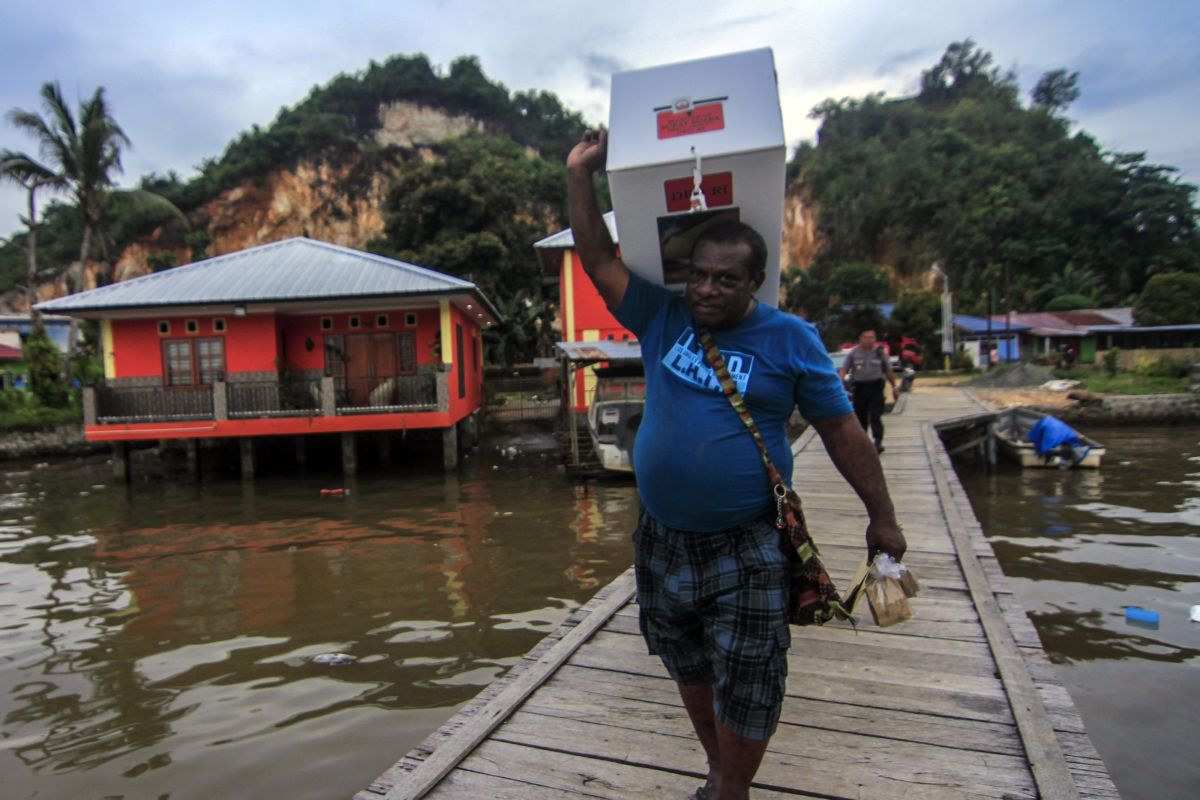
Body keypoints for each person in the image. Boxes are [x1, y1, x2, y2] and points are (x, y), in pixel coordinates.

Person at [567, 129, 905, 800]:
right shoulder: (663, 315)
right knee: (686, 659)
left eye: (726, 279)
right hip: (661, 536)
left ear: (757, 281)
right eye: (698, 275)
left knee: (750, 673)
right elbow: (597, 255)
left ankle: (730, 789)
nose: (707, 290)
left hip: (747, 541)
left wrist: (883, 518)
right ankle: (725, 773)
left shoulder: (790, 339)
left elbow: (842, 431)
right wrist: (579, 174)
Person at [839, 330, 898, 454]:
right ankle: (863, 443)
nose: (869, 340)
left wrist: (894, 386)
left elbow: (888, 370)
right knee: (861, 417)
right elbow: (844, 369)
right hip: (860, 388)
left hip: (876, 388)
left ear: (875, 339)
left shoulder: (879, 353)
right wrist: (839, 384)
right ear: (861, 338)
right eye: (866, 337)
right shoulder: (854, 353)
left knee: (875, 416)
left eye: (871, 337)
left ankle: (878, 442)